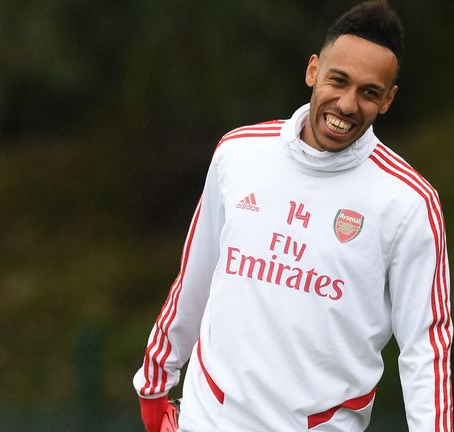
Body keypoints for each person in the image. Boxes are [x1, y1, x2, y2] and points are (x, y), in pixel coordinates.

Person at [133, 1, 451, 431]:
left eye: (368, 92)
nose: (348, 104)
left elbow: (427, 351)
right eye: (338, 81)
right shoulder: (238, 153)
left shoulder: (409, 203)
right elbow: (195, 278)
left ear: (388, 100)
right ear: (313, 71)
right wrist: (155, 383)